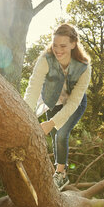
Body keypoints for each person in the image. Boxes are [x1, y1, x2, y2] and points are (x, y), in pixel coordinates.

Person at [24, 23, 91, 190]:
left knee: (61, 134)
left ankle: (61, 174)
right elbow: (33, 88)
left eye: (63, 46)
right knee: (54, 136)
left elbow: (74, 102)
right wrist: (24, 112)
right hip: (52, 101)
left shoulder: (84, 67)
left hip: (74, 104)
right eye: (55, 45)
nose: (58, 50)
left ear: (73, 44)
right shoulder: (45, 60)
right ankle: (54, 169)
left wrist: (51, 123)